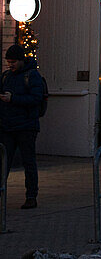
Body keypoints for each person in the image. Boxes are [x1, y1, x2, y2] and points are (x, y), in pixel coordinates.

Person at [0, 44, 45, 209]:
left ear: (21, 60)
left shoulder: (32, 76)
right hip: (8, 126)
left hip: (26, 126)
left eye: (13, 62)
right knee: (4, 161)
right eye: (8, 62)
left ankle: (31, 196)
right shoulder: (6, 76)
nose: (10, 65)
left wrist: (13, 99)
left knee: (28, 162)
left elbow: (36, 99)